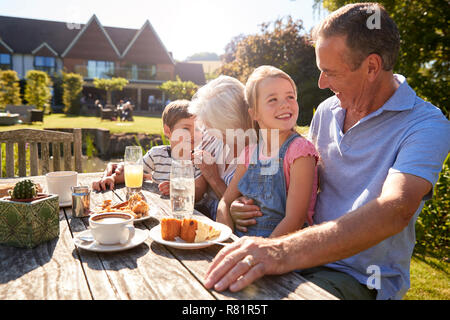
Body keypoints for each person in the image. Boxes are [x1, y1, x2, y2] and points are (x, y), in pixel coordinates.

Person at [203, 3, 449, 300]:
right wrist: (243, 203)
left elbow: (394, 210)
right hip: (298, 256)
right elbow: (288, 168)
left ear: (372, 67)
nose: (321, 83)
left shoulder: (425, 124)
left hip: (354, 277)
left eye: (329, 72)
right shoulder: (326, 111)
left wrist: (279, 250)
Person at [216, 66, 318, 238]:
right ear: (254, 113)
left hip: (280, 251)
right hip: (241, 243)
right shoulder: (250, 153)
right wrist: (227, 241)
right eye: (273, 100)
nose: (285, 104)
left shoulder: (299, 151)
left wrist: (259, 253)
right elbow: (224, 203)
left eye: (290, 97)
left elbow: (295, 219)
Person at [92, 100, 202, 195]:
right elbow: (136, 173)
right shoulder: (157, 154)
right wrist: (113, 179)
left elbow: (200, 191)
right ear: (168, 131)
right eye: (186, 129)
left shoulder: (198, 159)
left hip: (188, 212)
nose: (193, 134)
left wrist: (177, 189)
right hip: (161, 208)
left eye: (197, 129)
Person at [188, 75, 253, 220]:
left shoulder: (259, 152)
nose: (212, 133)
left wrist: (214, 179)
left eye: (220, 130)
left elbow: (245, 214)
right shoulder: (211, 137)